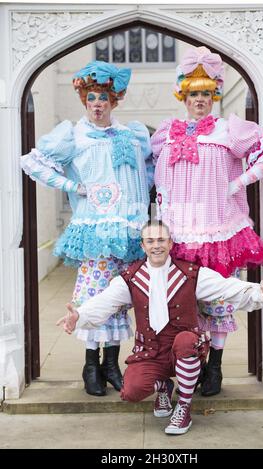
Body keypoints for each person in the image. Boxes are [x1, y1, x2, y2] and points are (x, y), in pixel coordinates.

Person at [56, 220, 263, 435]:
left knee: (186, 341)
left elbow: (225, 288)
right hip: (151, 352)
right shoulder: (130, 278)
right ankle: (163, 385)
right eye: (151, 241)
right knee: (131, 392)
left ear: (170, 244)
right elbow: (104, 302)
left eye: (161, 240)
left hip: (184, 348)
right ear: (143, 246)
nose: (157, 245)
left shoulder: (192, 273)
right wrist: (80, 316)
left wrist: (256, 291)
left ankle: (184, 406)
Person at [150, 46, 263, 396]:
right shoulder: (167, 132)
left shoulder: (229, 129)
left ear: (214, 96)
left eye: (206, 94)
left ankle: (216, 368)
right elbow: (155, 176)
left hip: (220, 228)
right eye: (194, 93)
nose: (200, 100)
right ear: (184, 95)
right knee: (187, 303)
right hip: (179, 233)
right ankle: (192, 360)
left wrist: (236, 184)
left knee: (220, 300)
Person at [20, 61, 153, 396]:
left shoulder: (131, 134)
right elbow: (33, 162)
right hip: (94, 230)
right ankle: (90, 365)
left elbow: (146, 175)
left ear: (113, 101)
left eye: (104, 97)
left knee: (119, 298)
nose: (98, 103)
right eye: (92, 97)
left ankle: (111, 364)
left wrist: (142, 214)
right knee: (93, 295)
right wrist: (71, 185)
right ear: (85, 100)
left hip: (126, 232)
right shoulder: (74, 134)